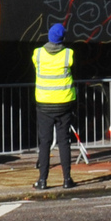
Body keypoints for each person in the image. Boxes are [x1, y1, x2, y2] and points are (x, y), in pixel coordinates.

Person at [32, 23, 77, 192]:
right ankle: (67, 179)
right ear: (62, 38)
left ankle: (42, 180)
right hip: (64, 103)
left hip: (44, 104)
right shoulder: (68, 54)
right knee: (64, 141)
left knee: (45, 142)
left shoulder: (37, 54)